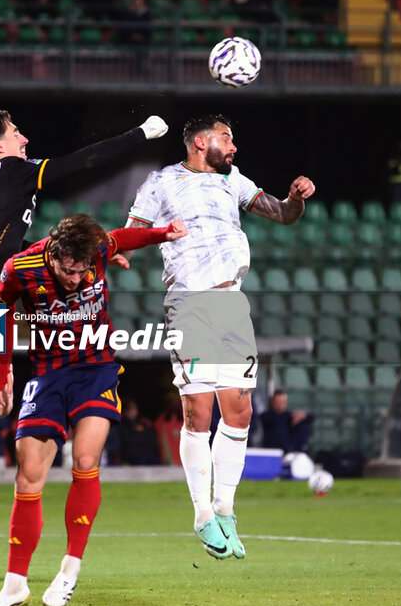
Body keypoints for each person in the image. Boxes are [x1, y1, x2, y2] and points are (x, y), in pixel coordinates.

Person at [0, 110, 170, 559]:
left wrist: (92, 252)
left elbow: (11, 246)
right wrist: (140, 133)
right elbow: (85, 161)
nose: (24, 137)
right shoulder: (14, 171)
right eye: (16, 132)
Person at [0, 213, 187, 606]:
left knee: (85, 461)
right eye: (67, 271)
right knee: (27, 475)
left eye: (81, 271)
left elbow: (123, 236)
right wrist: (1, 372)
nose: (74, 279)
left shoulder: (97, 250)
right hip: (47, 373)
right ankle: (15, 584)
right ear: (52, 255)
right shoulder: (19, 269)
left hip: (96, 368)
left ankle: (70, 568)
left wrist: (162, 232)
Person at [124, 114, 314, 561]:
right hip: (190, 301)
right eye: (227, 138)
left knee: (241, 409)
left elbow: (283, 215)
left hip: (232, 302)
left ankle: (226, 508)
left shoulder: (234, 181)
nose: (233, 146)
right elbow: (133, 228)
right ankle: (201, 513)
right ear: (200, 141)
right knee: (199, 411)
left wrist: (295, 198)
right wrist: (131, 248)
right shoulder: (163, 181)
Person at [259, 390, 313, 454]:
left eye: (283, 402)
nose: (280, 404)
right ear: (272, 402)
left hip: (288, 451)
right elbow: (275, 419)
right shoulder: (267, 416)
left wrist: (302, 416)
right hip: (272, 451)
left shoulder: (288, 416)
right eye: (278, 402)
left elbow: (310, 418)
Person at [113, 397, 162, 465]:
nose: (133, 411)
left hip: (147, 454)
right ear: (125, 410)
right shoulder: (120, 425)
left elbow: (151, 440)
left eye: (134, 408)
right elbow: (123, 443)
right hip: (131, 456)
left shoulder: (143, 423)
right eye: (130, 409)